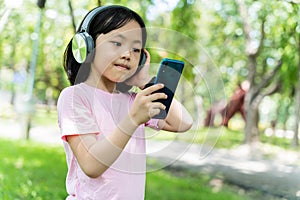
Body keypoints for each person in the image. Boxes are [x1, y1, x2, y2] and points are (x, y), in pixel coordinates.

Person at [57, 5, 193, 200]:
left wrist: (144, 83)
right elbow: (91, 166)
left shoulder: (133, 100)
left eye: (136, 49)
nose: (128, 54)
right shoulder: (75, 97)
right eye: (117, 43)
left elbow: (183, 122)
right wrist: (132, 120)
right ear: (88, 46)